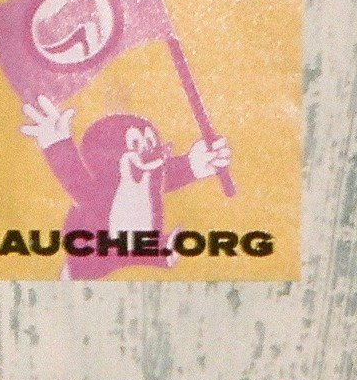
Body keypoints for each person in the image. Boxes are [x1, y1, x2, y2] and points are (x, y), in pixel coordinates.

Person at [19, 98, 231, 279]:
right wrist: (57, 143)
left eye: (149, 143)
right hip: (94, 260)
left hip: (140, 252)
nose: (148, 152)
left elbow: (168, 173)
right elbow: (75, 177)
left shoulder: (152, 178)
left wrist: (196, 163)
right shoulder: (99, 195)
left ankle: (153, 253)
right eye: (137, 144)